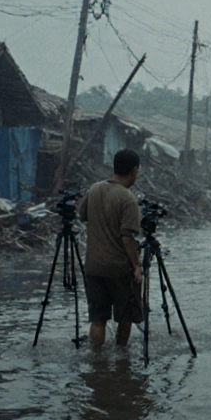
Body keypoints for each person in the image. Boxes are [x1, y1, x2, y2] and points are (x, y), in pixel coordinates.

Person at [77, 149, 144, 350]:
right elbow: (127, 238)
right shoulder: (128, 199)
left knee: (98, 320)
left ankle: (96, 362)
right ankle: (121, 361)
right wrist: (137, 266)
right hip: (118, 269)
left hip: (94, 267)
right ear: (134, 170)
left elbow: (82, 215)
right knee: (125, 317)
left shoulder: (95, 189)